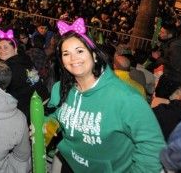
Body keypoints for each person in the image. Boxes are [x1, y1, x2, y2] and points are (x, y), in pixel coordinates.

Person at [47, 18, 165, 172]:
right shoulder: (60, 88)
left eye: (80, 51)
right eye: (66, 53)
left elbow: (152, 145)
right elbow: (59, 115)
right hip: (70, 165)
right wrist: (46, 125)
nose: (73, 58)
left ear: (94, 55)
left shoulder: (124, 97)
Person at [0, 28, 49, 123]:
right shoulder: (24, 58)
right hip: (43, 99)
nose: (1, 50)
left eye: (6, 47)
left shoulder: (9, 67)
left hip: (32, 108)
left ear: (15, 48)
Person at [152, 22, 181, 99]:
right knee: (159, 95)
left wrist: (159, 58)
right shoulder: (170, 43)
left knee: (160, 98)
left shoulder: (175, 46)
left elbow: (176, 65)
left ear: (170, 35)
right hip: (170, 76)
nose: (159, 33)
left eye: (162, 32)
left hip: (172, 78)